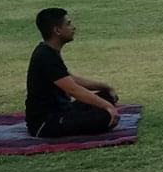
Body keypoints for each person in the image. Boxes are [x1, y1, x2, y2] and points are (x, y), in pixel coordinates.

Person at [25, 7, 119, 137]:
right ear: (57, 30)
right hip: (46, 122)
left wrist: (105, 87)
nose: (73, 27)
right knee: (104, 116)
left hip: (64, 110)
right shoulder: (45, 56)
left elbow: (70, 79)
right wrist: (108, 107)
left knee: (106, 95)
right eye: (68, 24)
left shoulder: (49, 50)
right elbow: (73, 90)